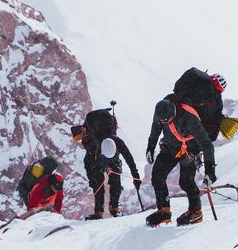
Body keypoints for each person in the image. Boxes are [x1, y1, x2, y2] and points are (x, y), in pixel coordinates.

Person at [144, 68, 226, 227]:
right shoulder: (163, 108)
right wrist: (150, 147)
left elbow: (207, 145)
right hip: (170, 146)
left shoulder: (190, 119)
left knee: (186, 182)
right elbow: (155, 129)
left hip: (190, 150)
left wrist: (210, 172)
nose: (162, 124)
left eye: (165, 121)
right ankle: (164, 210)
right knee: (157, 176)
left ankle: (196, 212)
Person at [72, 105, 140, 219]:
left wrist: (136, 176)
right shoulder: (93, 149)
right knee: (97, 183)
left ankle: (114, 208)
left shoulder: (118, 142)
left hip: (110, 159)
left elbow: (129, 159)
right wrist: (91, 179)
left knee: (115, 181)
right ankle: (99, 212)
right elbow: (88, 165)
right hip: (96, 160)